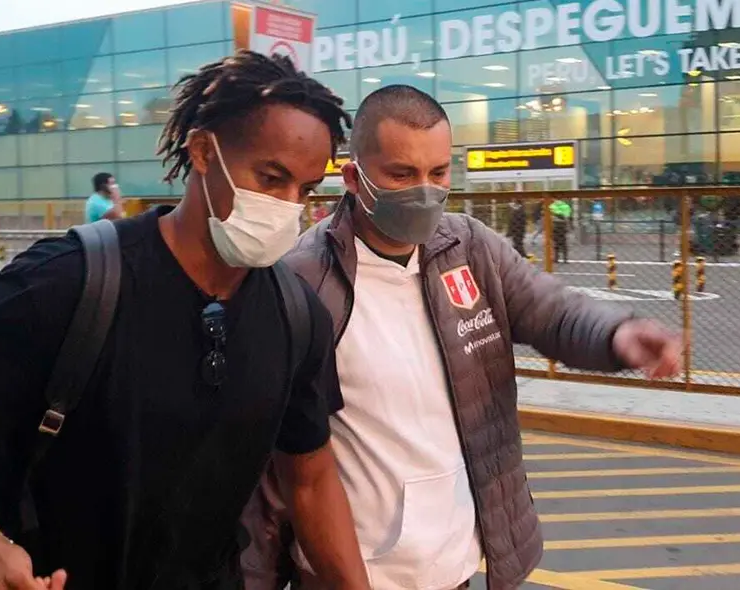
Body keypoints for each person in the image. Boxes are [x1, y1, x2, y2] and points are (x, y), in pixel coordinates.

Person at [0, 50, 369, 590]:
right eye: (271, 178)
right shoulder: (70, 282)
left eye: (307, 189)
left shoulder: (296, 315)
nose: (290, 206)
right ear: (203, 150)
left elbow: (311, 479)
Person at [241, 85, 683, 590]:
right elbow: (274, 470)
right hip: (351, 575)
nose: (424, 191)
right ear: (353, 177)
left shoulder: (471, 249)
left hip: (457, 565)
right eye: (402, 174)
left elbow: (552, 311)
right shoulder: (302, 281)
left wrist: (617, 334)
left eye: (438, 172)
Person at [550, 198, 572, 264]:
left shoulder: (552, 206)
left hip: (556, 226)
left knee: (556, 243)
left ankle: (556, 258)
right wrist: (568, 227)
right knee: (564, 244)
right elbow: (567, 218)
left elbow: (551, 217)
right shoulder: (566, 206)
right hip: (562, 226)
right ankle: (565, 259)